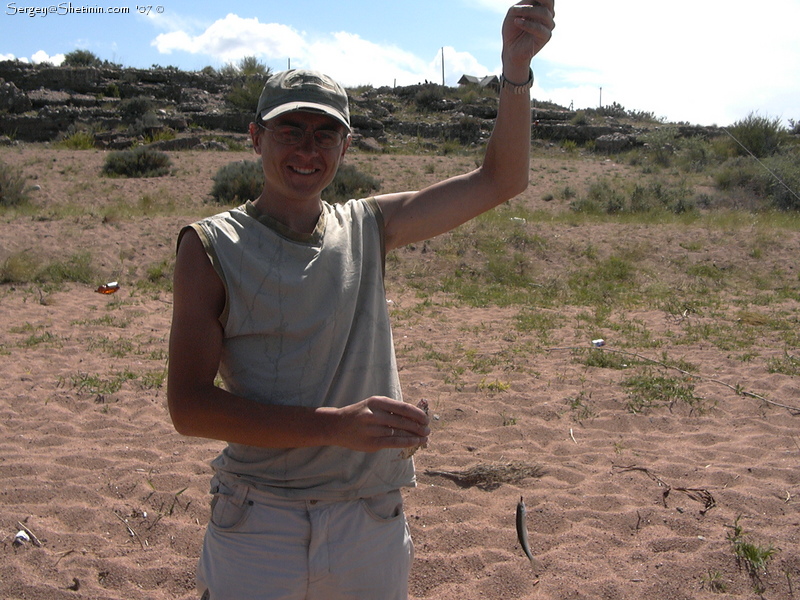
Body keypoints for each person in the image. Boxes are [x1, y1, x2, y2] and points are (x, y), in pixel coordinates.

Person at [167, 3, 555, 599]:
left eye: (325, 133)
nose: (307, 148)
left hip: (370, 517)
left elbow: (500, 180)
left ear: (345, 147)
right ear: (255, 138)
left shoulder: (370, 226)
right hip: (257, 520)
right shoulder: (212, 244)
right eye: (289, 129)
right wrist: (336, 427)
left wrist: (516, 67)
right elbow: (189, 408)